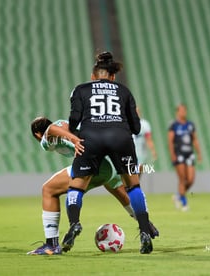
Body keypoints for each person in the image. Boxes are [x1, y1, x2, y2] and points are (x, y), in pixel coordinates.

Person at [62, 51, 155, 254]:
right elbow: (137, 128)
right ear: (112, 76)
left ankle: (74, 223)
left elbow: (73, 121)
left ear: (93, 75)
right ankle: (144, 231)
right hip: (120, 137)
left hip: (90, 138)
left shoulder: (80, 89)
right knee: (132, 185)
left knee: (76, 186)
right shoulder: (124, 91)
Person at [27, 117, 159, 255]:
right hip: (108, 162)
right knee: (118, 190)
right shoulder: (68, 124)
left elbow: (53, 129)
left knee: (48, 189)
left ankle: (51, 245)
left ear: (37, 134)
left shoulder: (47, 137)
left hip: (92, 160)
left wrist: (73, 139)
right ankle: (145, 223)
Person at [168, 103, 202, 211]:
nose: (183, 112)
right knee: (182, 179)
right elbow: (170, 141)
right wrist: (172, 154)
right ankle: (184, 203)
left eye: (184, 110)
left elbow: (195, 139)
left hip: (189, 154)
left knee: (191, 180)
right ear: (177, 112)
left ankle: (178, 195)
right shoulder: (173, 125)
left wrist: (199, 153)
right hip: (179, 154)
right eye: (181, 110)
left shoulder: (190, 125)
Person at [133, 107, 157, 175]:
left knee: (138, 174)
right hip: (130, 154)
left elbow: (148, 139)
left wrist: (153, 151)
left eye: (138, 111)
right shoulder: (126, 123)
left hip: (141, 154)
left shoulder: (145, 124)